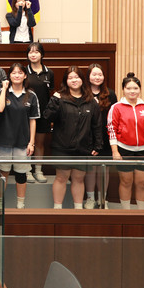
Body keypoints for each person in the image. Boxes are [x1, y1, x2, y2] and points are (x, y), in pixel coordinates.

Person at [44, 66, 102, 209]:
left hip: (83, 147)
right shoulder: (59, 98)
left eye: (77, 77)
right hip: (62, 147)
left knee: (79, 179)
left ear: (82, 80)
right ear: (66, 81)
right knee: (61, 178)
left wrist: (98, 145)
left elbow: (97, 125)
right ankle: (57, 209)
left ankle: (78, 209)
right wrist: (54, 101)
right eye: (70, 78)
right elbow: (48, 117)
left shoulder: (91, 101)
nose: (74, 80)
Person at [108, 72, 144, 210]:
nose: (132, 91)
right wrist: (115, 151)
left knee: (142, 183)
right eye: (128, 88)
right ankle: (126, 213)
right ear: (123, 89)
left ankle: (142, 213)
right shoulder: (116, 107)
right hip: (124, 150)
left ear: (140, 89)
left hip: (143, 150)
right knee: (126, 182)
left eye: (135, 88)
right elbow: (111, 130)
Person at [0, 63, 39, 209]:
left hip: (23, 142)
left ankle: (20, 205)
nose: (17, 75)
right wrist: (4, 88)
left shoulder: (31, 95)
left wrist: (31, 142)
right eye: (13, 73)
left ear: (25, 75)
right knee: (3, 174)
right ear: (9, 76)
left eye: (20, 73)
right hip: (4, 141)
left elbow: (33, 120)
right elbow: (0, 108)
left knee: (21, 175)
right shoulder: (1, 92)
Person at [85, 63, 118, 209]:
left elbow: (115, 116)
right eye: (94, 74)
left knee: (104, 169)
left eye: (100, 74)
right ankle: (90, 198)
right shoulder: (83, 92)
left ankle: (103, 199)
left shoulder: (110, 93)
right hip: (88, 136)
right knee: (91, 168)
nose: (97, 77)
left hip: (106, 136)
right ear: (88, 76)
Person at [26, 42, 54, 183]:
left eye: (36, 52)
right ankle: (27, 171)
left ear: (42, 54)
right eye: (31, 52)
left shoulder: (49, 73)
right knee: (27, 142)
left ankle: (38, 170)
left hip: (43, 114)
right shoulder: (24, 72)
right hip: (26, 114)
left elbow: (50, 94)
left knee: (40, 143)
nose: (33, 54)